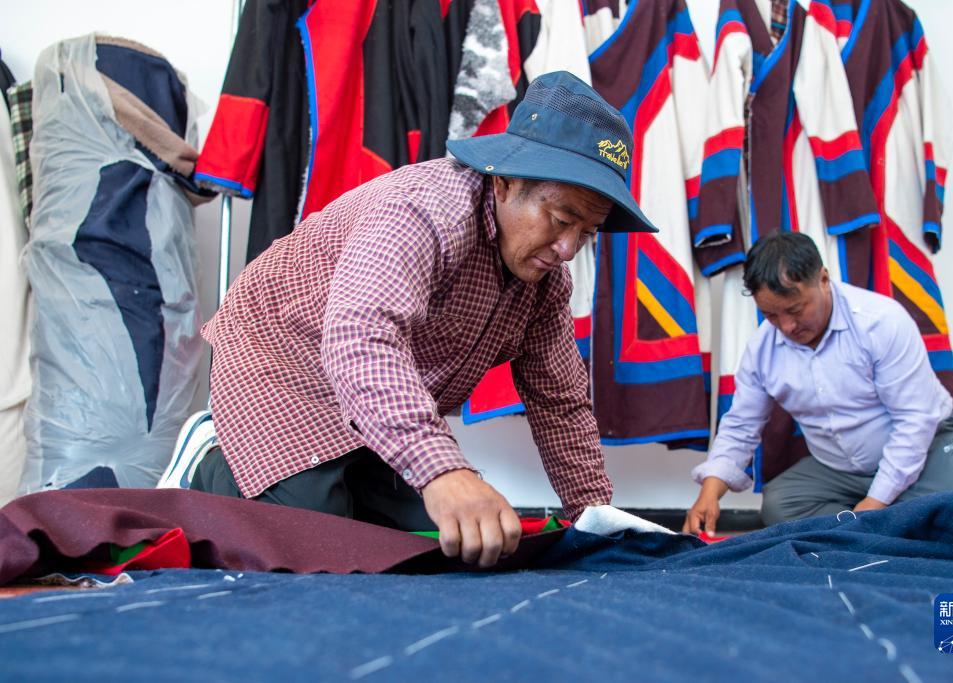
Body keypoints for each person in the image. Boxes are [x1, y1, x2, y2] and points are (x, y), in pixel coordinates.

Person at [169, 71, 659, 568]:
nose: (568, 248)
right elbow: (362, 335)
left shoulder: (547, 279)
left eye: (588, 232)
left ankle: (329, 480)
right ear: (506, 182)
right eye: (561, 220)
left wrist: (595, 517)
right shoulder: (424, 210)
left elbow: (560, 400)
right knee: (318, 550)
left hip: (369, 397)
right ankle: (214, 457)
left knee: (436, 547)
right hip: (281, 362)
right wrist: (442, 472)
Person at [683, 232, 953, 534]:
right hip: (841, 469)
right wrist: (710, 491)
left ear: (823, 279)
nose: (786, 326)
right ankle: (898, 525)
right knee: (781, 505)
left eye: (795, 309)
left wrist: (875, 502)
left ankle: (883, 522)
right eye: (771, 315)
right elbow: (741, 425)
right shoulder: (762, 349)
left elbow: (915, 419)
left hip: (927, 447)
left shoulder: (880, 322)